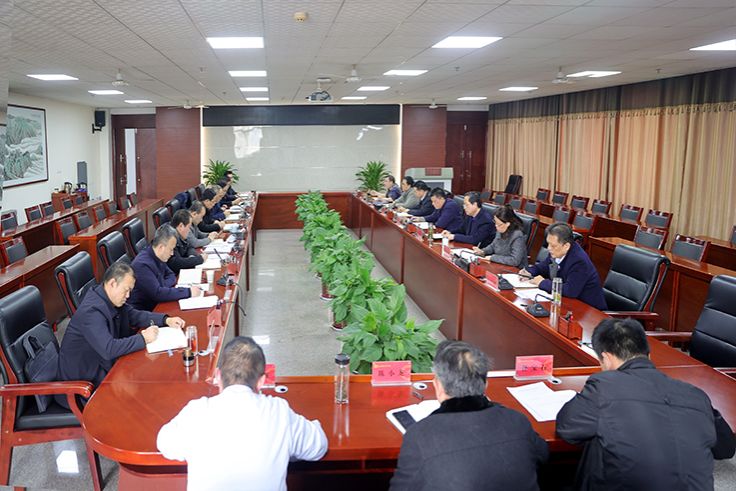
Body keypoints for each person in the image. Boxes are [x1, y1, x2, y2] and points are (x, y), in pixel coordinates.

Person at [556, 318, 736, 491]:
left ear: (606, 358)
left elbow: (567, 428)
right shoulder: (696, 395)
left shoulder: (604, 386)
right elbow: (726, 448)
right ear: (648, 355)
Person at [157, 336, 328, 490]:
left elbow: (164, 443)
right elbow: (318, 446)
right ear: (261, 381)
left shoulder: (196, 412)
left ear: (217, 376)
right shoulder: (279, 411)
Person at [390, 340, 548, 490]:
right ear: (486, 384)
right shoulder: (517, 421)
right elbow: (543, 455)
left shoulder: (419, 435)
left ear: (438, 385)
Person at [57, 262, 185, 389]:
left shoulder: (109, 298)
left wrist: (166, 320)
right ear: (112, 283)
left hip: (106, 367)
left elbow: (135, 315)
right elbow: (108, 349)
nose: (128, 296)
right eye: (126, 290)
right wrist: (143, 338)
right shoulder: (91, 312)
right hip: (86, 383)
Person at [521, 222, 607, 310]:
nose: (549, 248)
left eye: (553, 245)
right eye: (548, 244)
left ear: (566, 246)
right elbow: (543, 267)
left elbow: (570, 290)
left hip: (589, 310)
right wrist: (528, 272)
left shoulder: (579, 261)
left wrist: (542, 283)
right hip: (567, 303)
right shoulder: (557, 252)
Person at [127, 224, 200, 311]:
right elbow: (158, 294)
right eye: (171, 249)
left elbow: (171, 275)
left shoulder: (159, 256)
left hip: (157, 303)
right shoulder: (142, 265)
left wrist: (162, 287)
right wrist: (188, 292)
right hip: (145, 311)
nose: (172, 253)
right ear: (161, 247)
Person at [167, 209, 207, 274]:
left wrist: (191, 256)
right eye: (189, 227)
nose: (189, 231)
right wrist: (199, 259)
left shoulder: (180, 234)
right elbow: (176, 263)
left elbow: (189, 246)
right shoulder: (170, 237)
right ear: (181, 226)